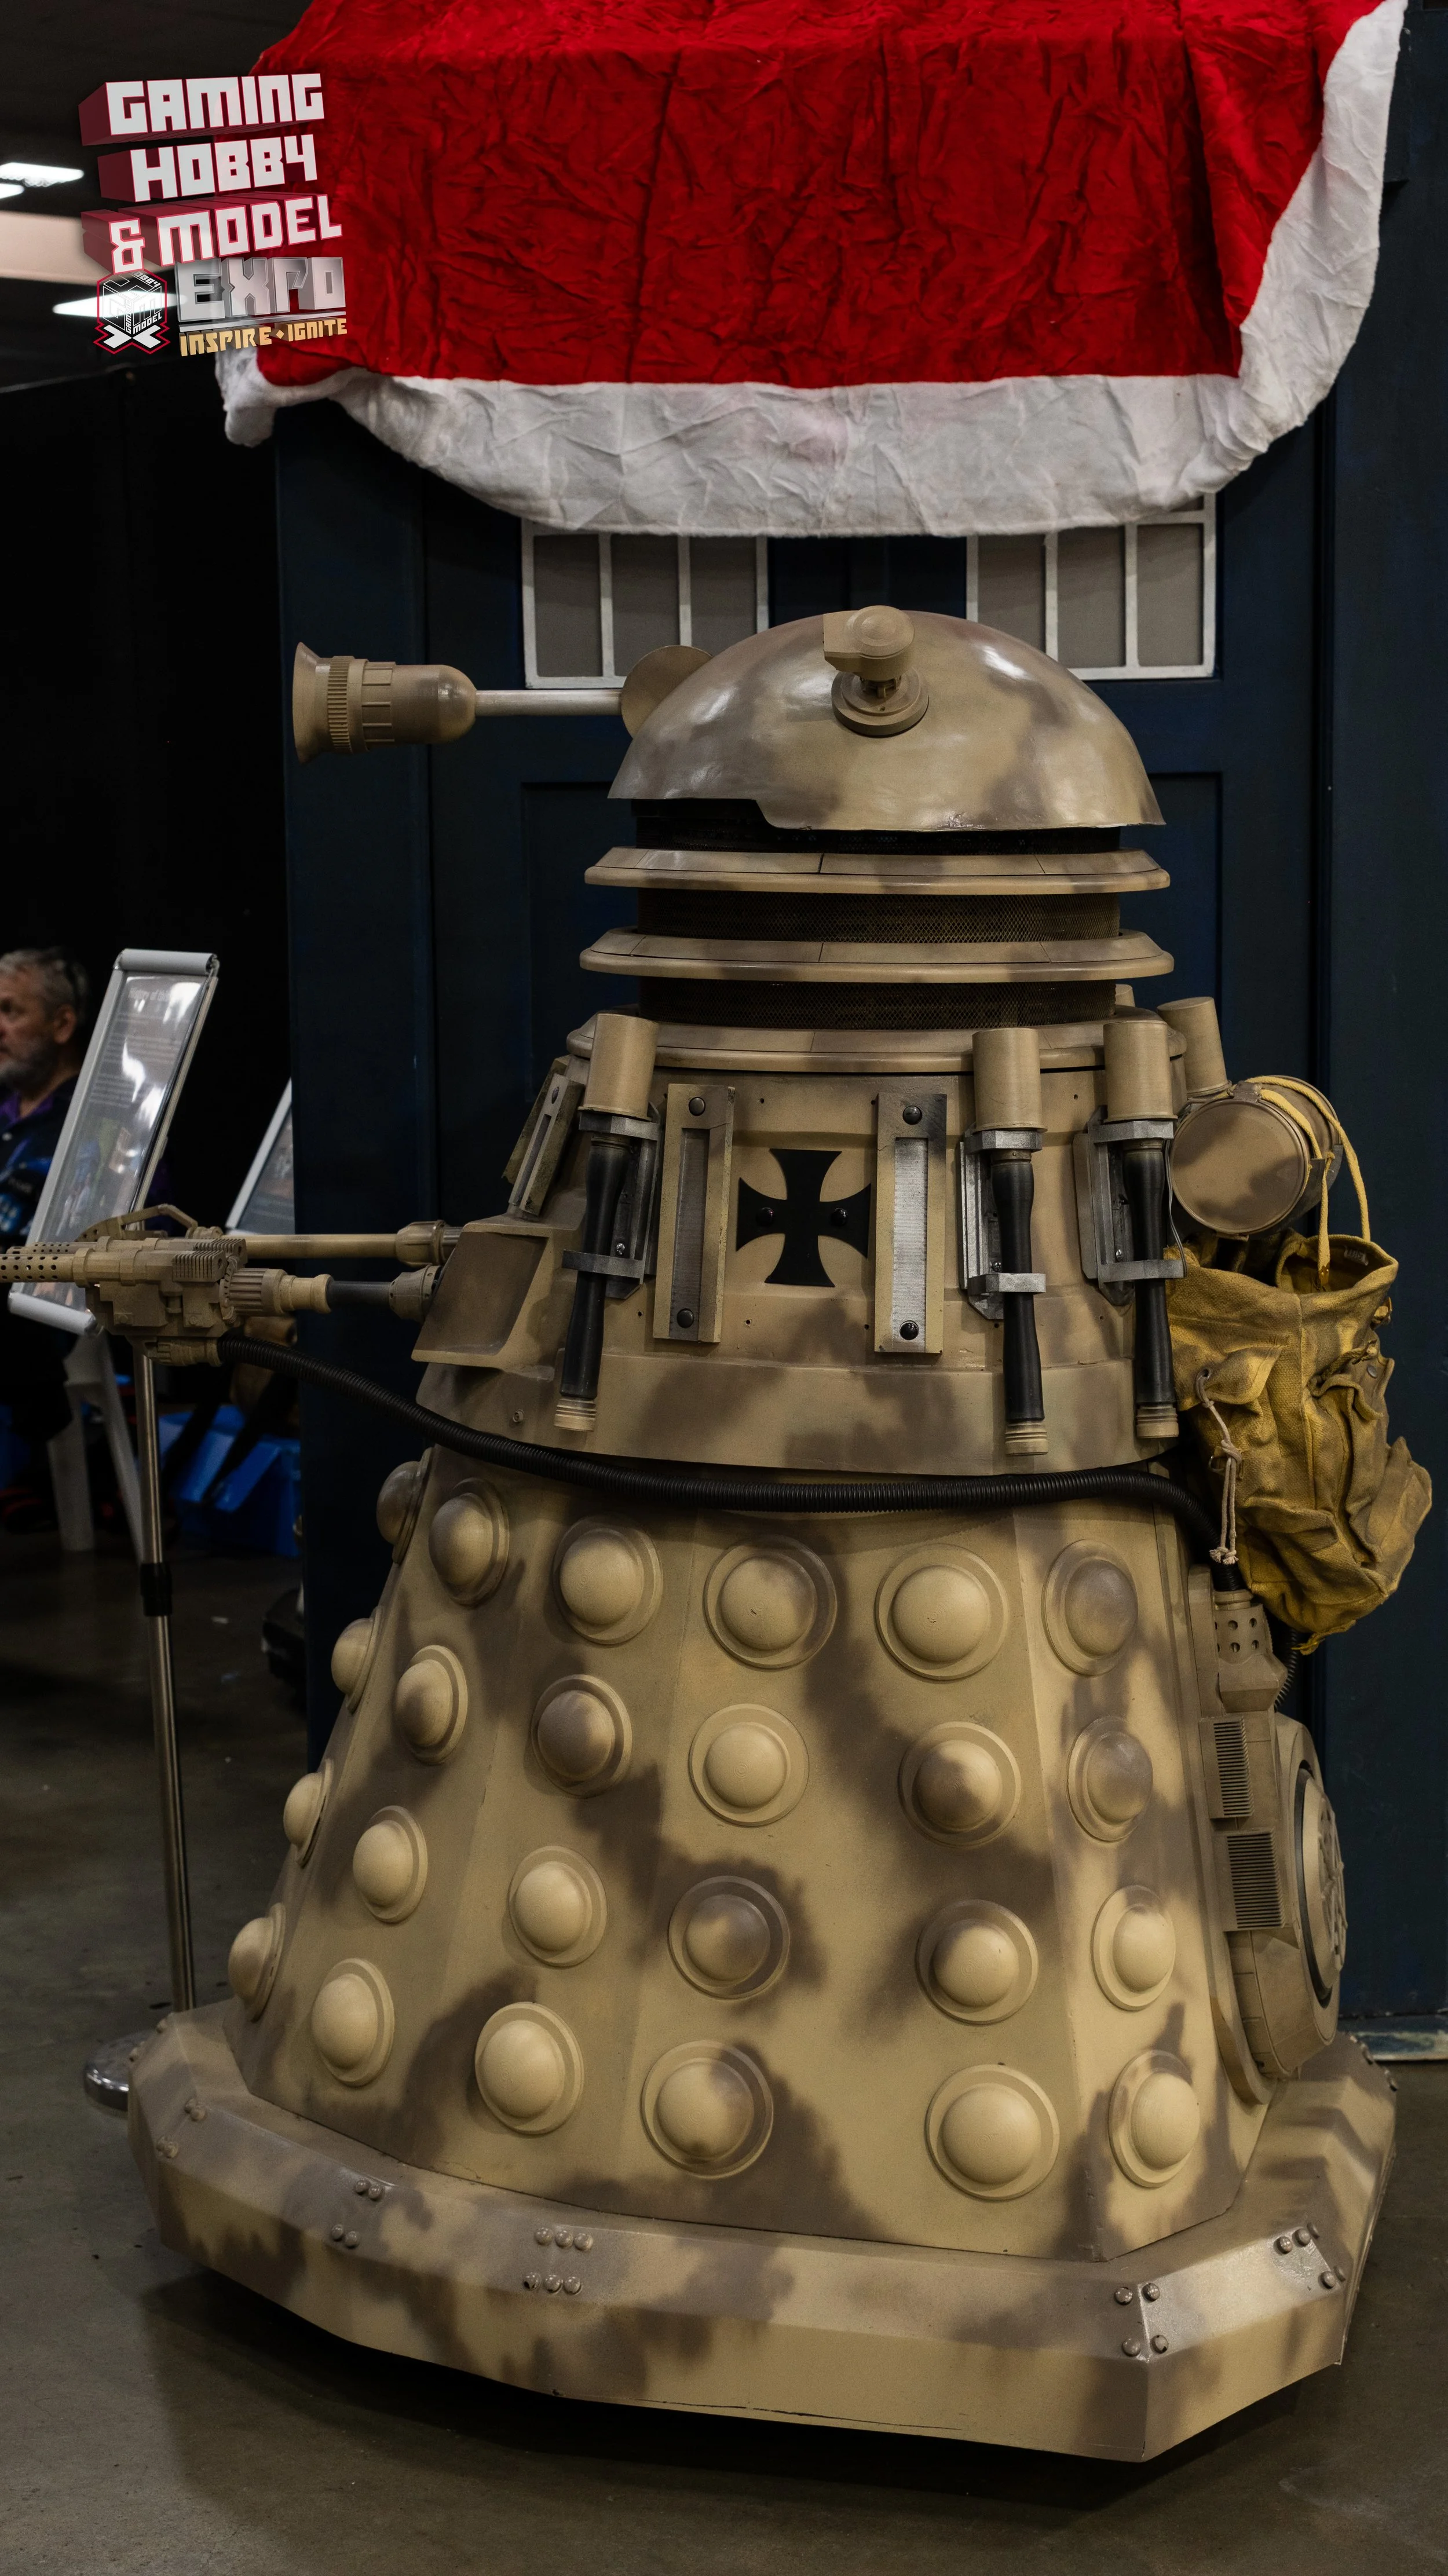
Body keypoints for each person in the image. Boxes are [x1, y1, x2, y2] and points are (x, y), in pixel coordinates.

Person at [0, 949, 90, 1492]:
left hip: (48, 1306)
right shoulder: (7, 1113)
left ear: (61, 1024)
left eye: (12, 1012)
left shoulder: (95, 1118)